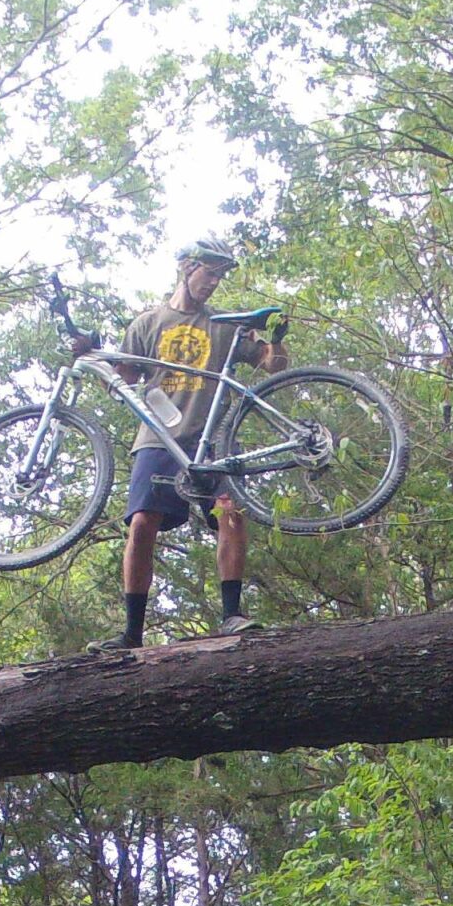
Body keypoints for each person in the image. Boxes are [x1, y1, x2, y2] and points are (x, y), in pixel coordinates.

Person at [74, 235, 287, 651]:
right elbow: (125, 381)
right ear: (187, 269)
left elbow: (273, 364)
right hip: (158, 436)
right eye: (209, 273)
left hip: (212, 438)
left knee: (231, 513)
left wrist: (277, 337)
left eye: (220, 276)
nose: (214, 283)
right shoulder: (147, 323)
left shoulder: (225, 325)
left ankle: (232, 615)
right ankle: (131, 633)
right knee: (141, 524)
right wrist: (93, 355)